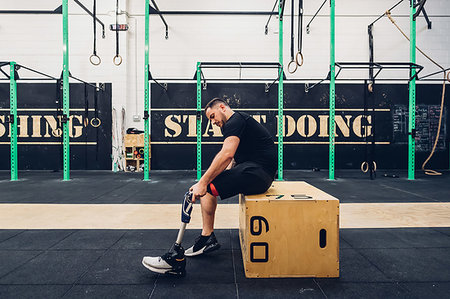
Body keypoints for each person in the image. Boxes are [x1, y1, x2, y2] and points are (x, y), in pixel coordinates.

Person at [185, 97, 277, 256]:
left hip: (258, 173)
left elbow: (227, 154)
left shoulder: (236, 120)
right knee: (208, 183)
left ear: (222, 107)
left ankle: (207, 238)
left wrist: (203, 182)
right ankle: (208, 237)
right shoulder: (236, 123)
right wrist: (217, 177)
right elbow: (233, 159)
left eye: (212, 116)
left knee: (206, 188)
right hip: (257, 171)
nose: (212, 122)